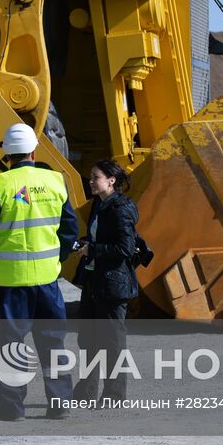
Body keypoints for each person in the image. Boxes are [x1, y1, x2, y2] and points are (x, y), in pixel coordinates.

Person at [0, 122, 79, 421]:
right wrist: (57, 259)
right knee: (53, 343)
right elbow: (69, 230)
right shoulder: (56, 181)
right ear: (34, 151)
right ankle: (60, 403)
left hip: (12, 283)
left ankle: (12, 407)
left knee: (12, 346)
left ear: (6, 155)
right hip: (48, 281)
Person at [71, 160, 139, 403]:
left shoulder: (121, 208)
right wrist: (84, 243)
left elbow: (125, 248)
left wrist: (93, 249)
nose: (90, 182)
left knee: (112, 342)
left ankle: (114, 394)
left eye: (95, 177)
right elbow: (99, 237)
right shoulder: (99, 204)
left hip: (112, 284)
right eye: (90, 177)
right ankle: (87, 391)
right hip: (94, 280)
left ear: (111, 180)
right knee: (87, 338)